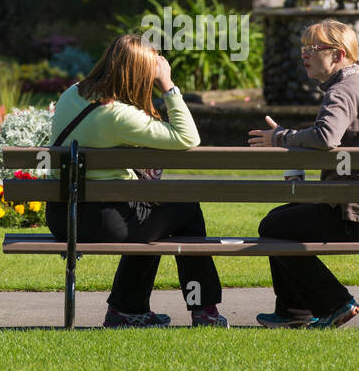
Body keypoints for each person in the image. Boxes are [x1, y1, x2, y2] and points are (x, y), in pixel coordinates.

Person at [44, 34, 226, 328]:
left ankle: (127, 309)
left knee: (153, 215)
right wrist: (168, 86)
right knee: (186, 209)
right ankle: (204, 309)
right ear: (141, 74)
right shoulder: (120, 116)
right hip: (103, 221)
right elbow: (188, 137)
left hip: (61, 215)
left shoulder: (72, 94)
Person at [247, 19, 359, 328]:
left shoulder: (342, 90)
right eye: (303, 48)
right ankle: (292, 313)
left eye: (313, 48)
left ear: (338, 55)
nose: (304, 54)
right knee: (282, 220)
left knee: (272, 226)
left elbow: (325, 137)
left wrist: (281, 137)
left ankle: (335, 302)